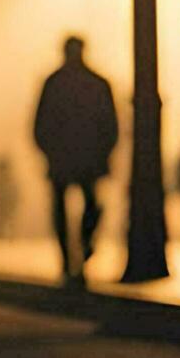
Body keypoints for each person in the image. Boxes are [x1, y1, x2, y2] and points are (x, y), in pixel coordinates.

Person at [34, 36, 118, 283]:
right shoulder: (97, 84)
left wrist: (49, 150)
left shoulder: (54, 83)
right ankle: (81, 249)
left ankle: (71, 256)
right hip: (86, 157)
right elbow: (110, 125)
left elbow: (40, 125)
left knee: (65, 208)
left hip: (67, 157)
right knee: (89, 204)